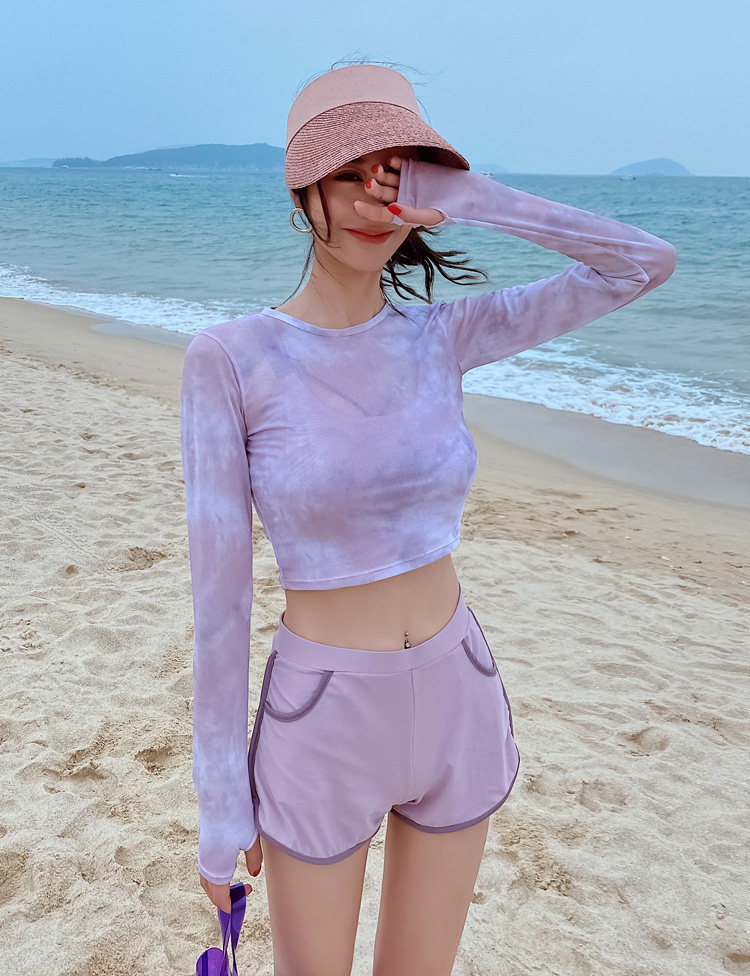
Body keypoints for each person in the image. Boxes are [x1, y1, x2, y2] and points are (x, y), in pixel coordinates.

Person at [180, 61, 677, 976]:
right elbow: (219, 605)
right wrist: (220, 805)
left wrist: (475, 197)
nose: (374, 202)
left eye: (395, 176)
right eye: (347, 174)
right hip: (322, 719)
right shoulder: (232, 359)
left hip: (458, 690)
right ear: (301, 191)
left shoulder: (444, 335)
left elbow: (643, 262)